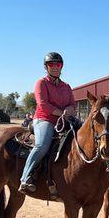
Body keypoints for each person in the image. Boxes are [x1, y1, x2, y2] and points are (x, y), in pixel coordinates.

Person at [19, 52, 76, 194]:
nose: (55, 67)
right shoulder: (41, 83)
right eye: (51, 64)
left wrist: (69, 110)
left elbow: (73, 105)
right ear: (46, 67)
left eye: (58, 64)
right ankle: (26, 178)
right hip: (44, 119)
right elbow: (43, 105)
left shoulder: (66, 86)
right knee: (42, 144)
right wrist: (62, 113)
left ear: (61, 66)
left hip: (64, 120)